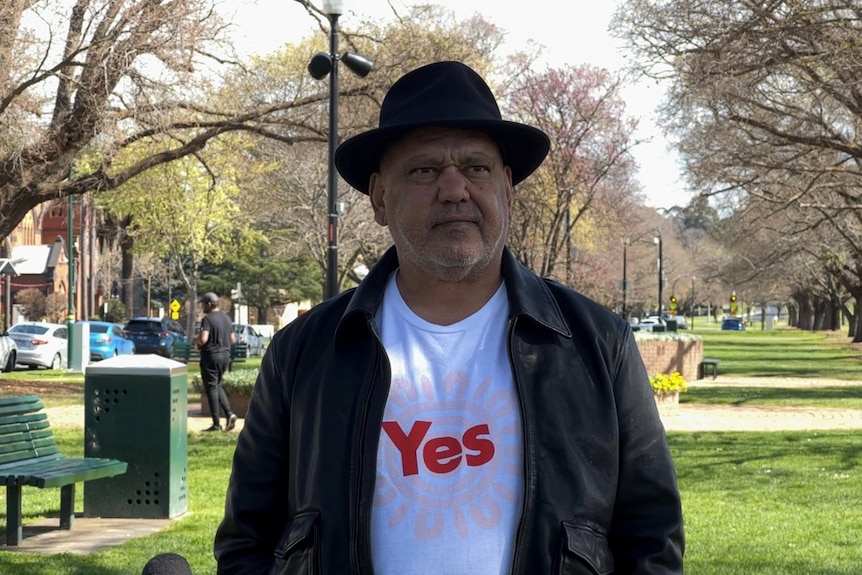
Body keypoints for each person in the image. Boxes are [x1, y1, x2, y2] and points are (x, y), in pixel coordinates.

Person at [214, 61, 684, 573]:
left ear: (506, 187)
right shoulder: (305, 354)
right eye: (425, 170)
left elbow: (651, 537)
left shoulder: (596, 344)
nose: (455, 188)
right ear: (378, 197)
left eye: (476, 168)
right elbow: (248, 541)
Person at [193, 292, 238, 432]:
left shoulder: (207, 319)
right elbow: (232, 339)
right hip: (225, 356)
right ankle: (230, 414)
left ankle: (216, 424)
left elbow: (203, 339)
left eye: (203, 304)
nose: (202, 307)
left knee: (211, 388)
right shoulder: (226, 318)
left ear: (208, 304)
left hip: (211, 357)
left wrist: (195, 341)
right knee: (217, 385)